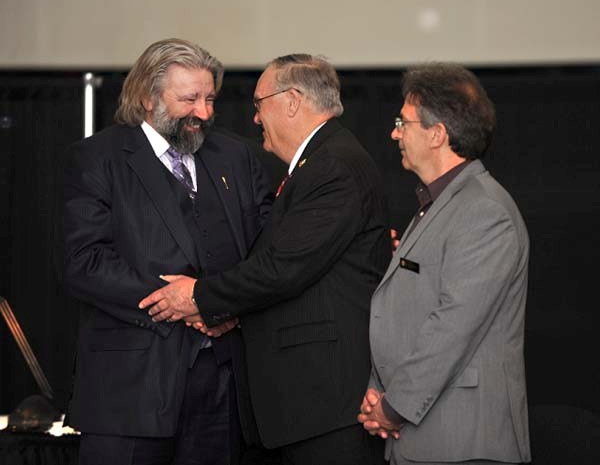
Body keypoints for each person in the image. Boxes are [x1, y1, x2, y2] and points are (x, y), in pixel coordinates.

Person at [139, 54, 391, 465]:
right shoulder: (320, 163)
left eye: (259, 103)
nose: (255, 119)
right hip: (308, 404)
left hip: (325, 403)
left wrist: (198, 296)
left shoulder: (334, 166)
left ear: (291, 101)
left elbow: (282, 269)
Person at [61, 38, 272, 465]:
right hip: (130, 388)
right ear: (146, 97)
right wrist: (181, 303)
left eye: (210, 98)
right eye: (190, 99)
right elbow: (84, 261)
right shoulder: (98, 158)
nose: (204, 112)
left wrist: (222, 301)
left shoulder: (236, 156)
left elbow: (265, 249)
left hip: (223, 383)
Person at [357, 63, 531, 465]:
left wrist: (392, 406)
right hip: (425, 437)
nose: (394, 133)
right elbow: (403, 312)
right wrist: (377, 391)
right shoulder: (438, 206)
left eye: (404, 122)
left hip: (463, 443)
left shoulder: (484, 211)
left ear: (437, 134)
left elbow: (452, 327)